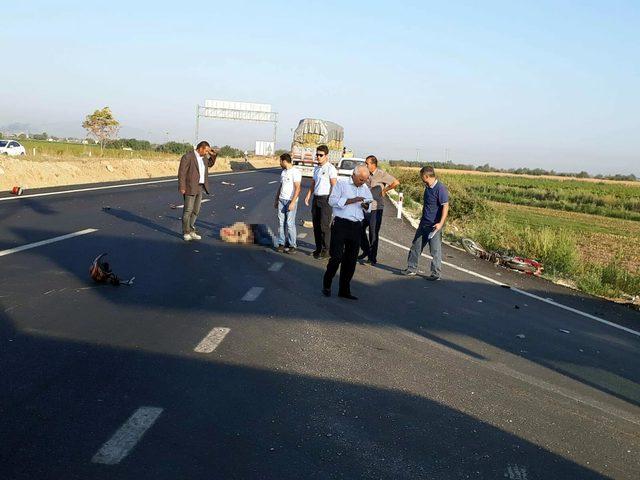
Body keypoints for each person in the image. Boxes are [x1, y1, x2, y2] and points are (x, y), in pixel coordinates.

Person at [322, 165, 373, 300]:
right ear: (354, 175)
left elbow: (369, 205)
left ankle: (344, 290)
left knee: (350, 261)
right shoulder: (342, 184)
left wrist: (366, 205)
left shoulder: (365, 188)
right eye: (361, 179)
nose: (363, 182)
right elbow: (332, 201)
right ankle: (327, 283)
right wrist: (352, 200)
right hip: (341, 224)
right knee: (337, 257)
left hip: (356, 227)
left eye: (365, 179)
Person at [402, 166, 449, 280]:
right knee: (416, 246)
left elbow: (445, 207)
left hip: (434, 226)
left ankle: (436, 274)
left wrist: (440, 223)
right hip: (424, 223)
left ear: (426, 176)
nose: (421, 179)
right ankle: (411, 269)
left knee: (435, 250)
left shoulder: (440, 188)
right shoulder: (427, 187)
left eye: (422, 176)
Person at [358, 155, 400, 265]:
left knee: (373, 233)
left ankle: (372, 258)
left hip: (376, 209)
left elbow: (395, 182)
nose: (365, 165)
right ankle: (366, 250)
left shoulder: (381, 174)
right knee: (359, 229)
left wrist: (385, 190)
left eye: (367, 163)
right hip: (365, 207)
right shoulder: (366, 174)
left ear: (373, 164)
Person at [178, 141, 219, 241]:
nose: (206, 153)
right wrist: (182, 187)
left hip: (200, 187)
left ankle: (191, 230)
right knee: (188, 210)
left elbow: (210, 164)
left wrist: (213, 155)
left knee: (196, 211)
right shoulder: (188, 156)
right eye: (206, 150)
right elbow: (182, 173)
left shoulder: (204, 158)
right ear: (200, 148)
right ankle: (186, 232)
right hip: (190, 186)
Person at [304, 145, 338, 258]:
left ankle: (326, 250)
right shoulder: (317, 168)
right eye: (317, 154)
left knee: (324, 226)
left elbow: (334, 185)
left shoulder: (330, 168)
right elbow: (314, 183)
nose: (318, 157)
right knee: (316, 226)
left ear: (326, 156)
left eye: (321, 155)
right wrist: (308, 195)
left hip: (326, 199)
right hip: (316, 199)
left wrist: (331, 199)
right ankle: (318, 248)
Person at [274, 153, 301, 253]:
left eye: (280, 161)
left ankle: (292, 245)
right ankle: (281, 243)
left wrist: (293, 202)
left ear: (284, 161)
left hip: (291, 201)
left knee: (290, 223)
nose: (280, 163)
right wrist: (276, 199)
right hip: (282, 200)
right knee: (281, 223)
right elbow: (281, 186)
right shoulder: (283, 172)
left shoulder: (295, 172)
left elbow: (298, 188)